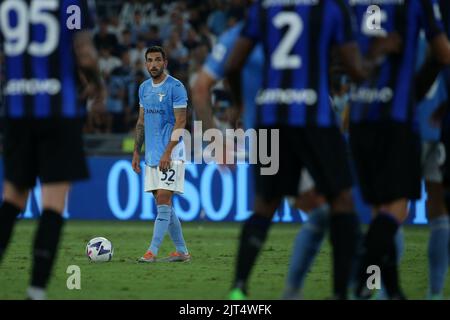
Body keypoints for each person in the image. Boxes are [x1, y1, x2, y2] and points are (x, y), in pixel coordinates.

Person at [224, 0, 396, 300]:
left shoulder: (263, 8)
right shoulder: (332, 8)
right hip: (314, 118)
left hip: (270, 117)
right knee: (342, 200)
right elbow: (356, 70)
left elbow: (232, 64)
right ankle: (341, 292)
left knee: (265, 204)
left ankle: (238, 288)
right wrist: (379, 53)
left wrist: (239, 103)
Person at [0, 0, 101, 300]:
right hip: (58, 110)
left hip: (17, 110)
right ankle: (36, 290)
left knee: (13, 200)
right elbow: (84, 54)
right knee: (53, 203)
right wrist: (96, 83)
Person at [349, 0, 450, 299]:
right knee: (428, 210)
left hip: (369, 113)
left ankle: (383, 289)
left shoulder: (358, 7)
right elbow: (441, 55)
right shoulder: (425, 11)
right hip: (418, 122)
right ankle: (431, 293)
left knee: (385, 210)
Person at [132, 46, 191, 263]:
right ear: (146, 63)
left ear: (165, 62)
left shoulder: (176, 87)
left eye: (158, 60)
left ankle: (152, 251)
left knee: (164, 199)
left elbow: (181, 121)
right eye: (150, 60)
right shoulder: (143, 88)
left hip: (172, 152)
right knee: (162, 202)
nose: (154, 64)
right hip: (152, 154)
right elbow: (141, 121)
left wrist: (168, 152)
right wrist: (136, 151)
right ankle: (182, 251)